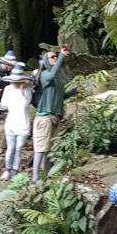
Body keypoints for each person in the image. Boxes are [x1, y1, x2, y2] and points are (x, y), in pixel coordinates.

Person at [32, 44, 78, 182]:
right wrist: (62, 56)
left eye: (56, 57)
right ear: (46, 61)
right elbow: (52, 74)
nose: (55, 58)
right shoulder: (46, 75)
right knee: (40, 148)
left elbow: (61, 96)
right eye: (52, 57)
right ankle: (35, 177)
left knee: (48, 149)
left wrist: (73, 91)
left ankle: (46, 176)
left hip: (54, 117)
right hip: (44, 116)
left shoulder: (57, 79)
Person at [0, 63, 33, 180]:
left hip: (23, 124)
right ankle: (7, 170)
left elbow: (25, 104)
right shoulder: (8, 89)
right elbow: (4, 106)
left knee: (18, 149)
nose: (16, 83)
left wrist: (23, 90)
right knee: (10, 149)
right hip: (11, 123)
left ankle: (15, 171)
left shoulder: (28, 90)